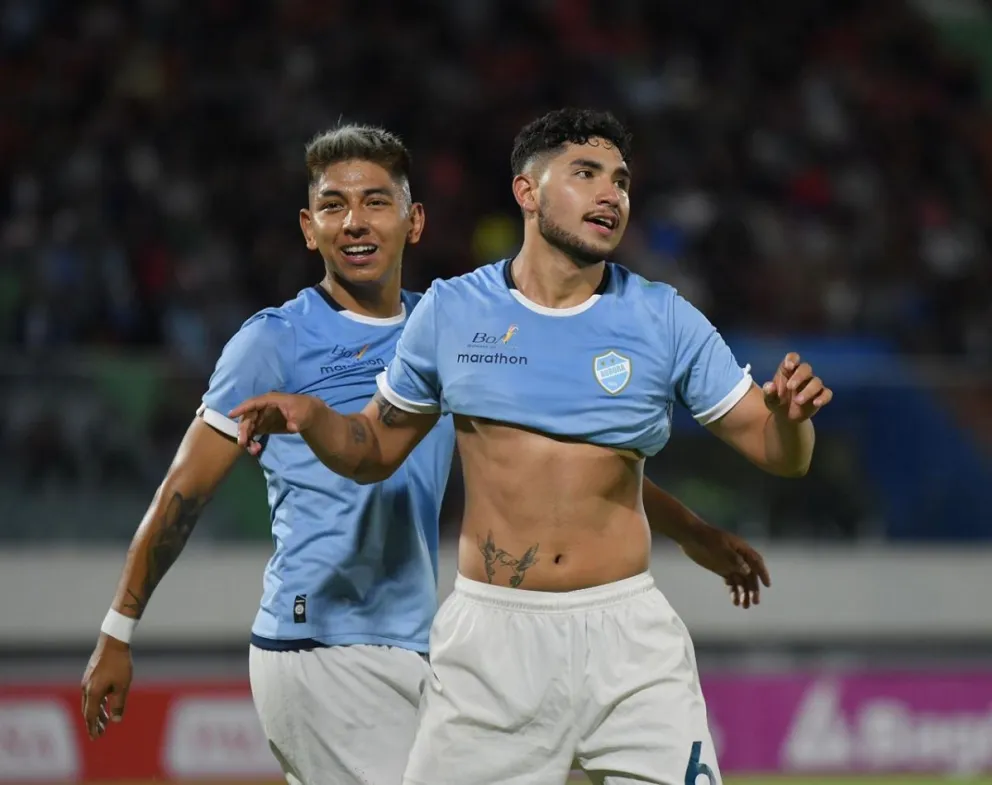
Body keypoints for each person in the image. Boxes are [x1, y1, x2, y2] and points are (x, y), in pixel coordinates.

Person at [81, 122, 770, 785]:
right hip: (321, 641)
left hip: (417, 641)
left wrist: (693, 532)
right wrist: (119, 628)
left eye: (376, 203)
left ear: (414, 222)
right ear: (309, 228)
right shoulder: (274, 341)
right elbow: (182, 491)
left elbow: (564, 463)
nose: (355, 222)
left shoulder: (453, 327)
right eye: (334, 206)